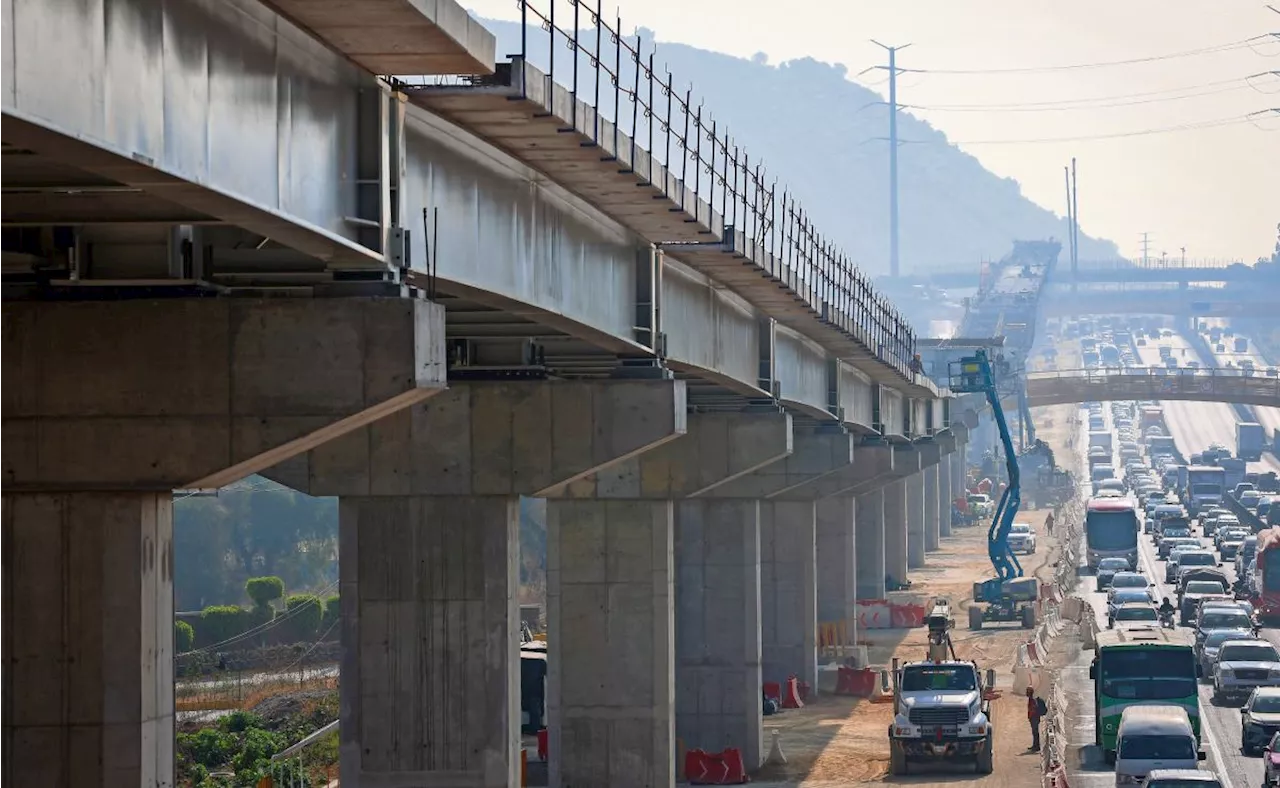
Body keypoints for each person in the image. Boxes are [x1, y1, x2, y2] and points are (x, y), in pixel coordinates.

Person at [1026, 687, 1044, 752]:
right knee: (1035, 733)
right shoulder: (1031, 699)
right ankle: (1035, 746)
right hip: (1034, 718)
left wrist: (1031, 716)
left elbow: (1033, 709)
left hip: (1034, 718)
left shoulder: (1032, 700)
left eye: (1027, 691)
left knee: (1035, 733)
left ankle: (1036, 747)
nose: (1026, 693)